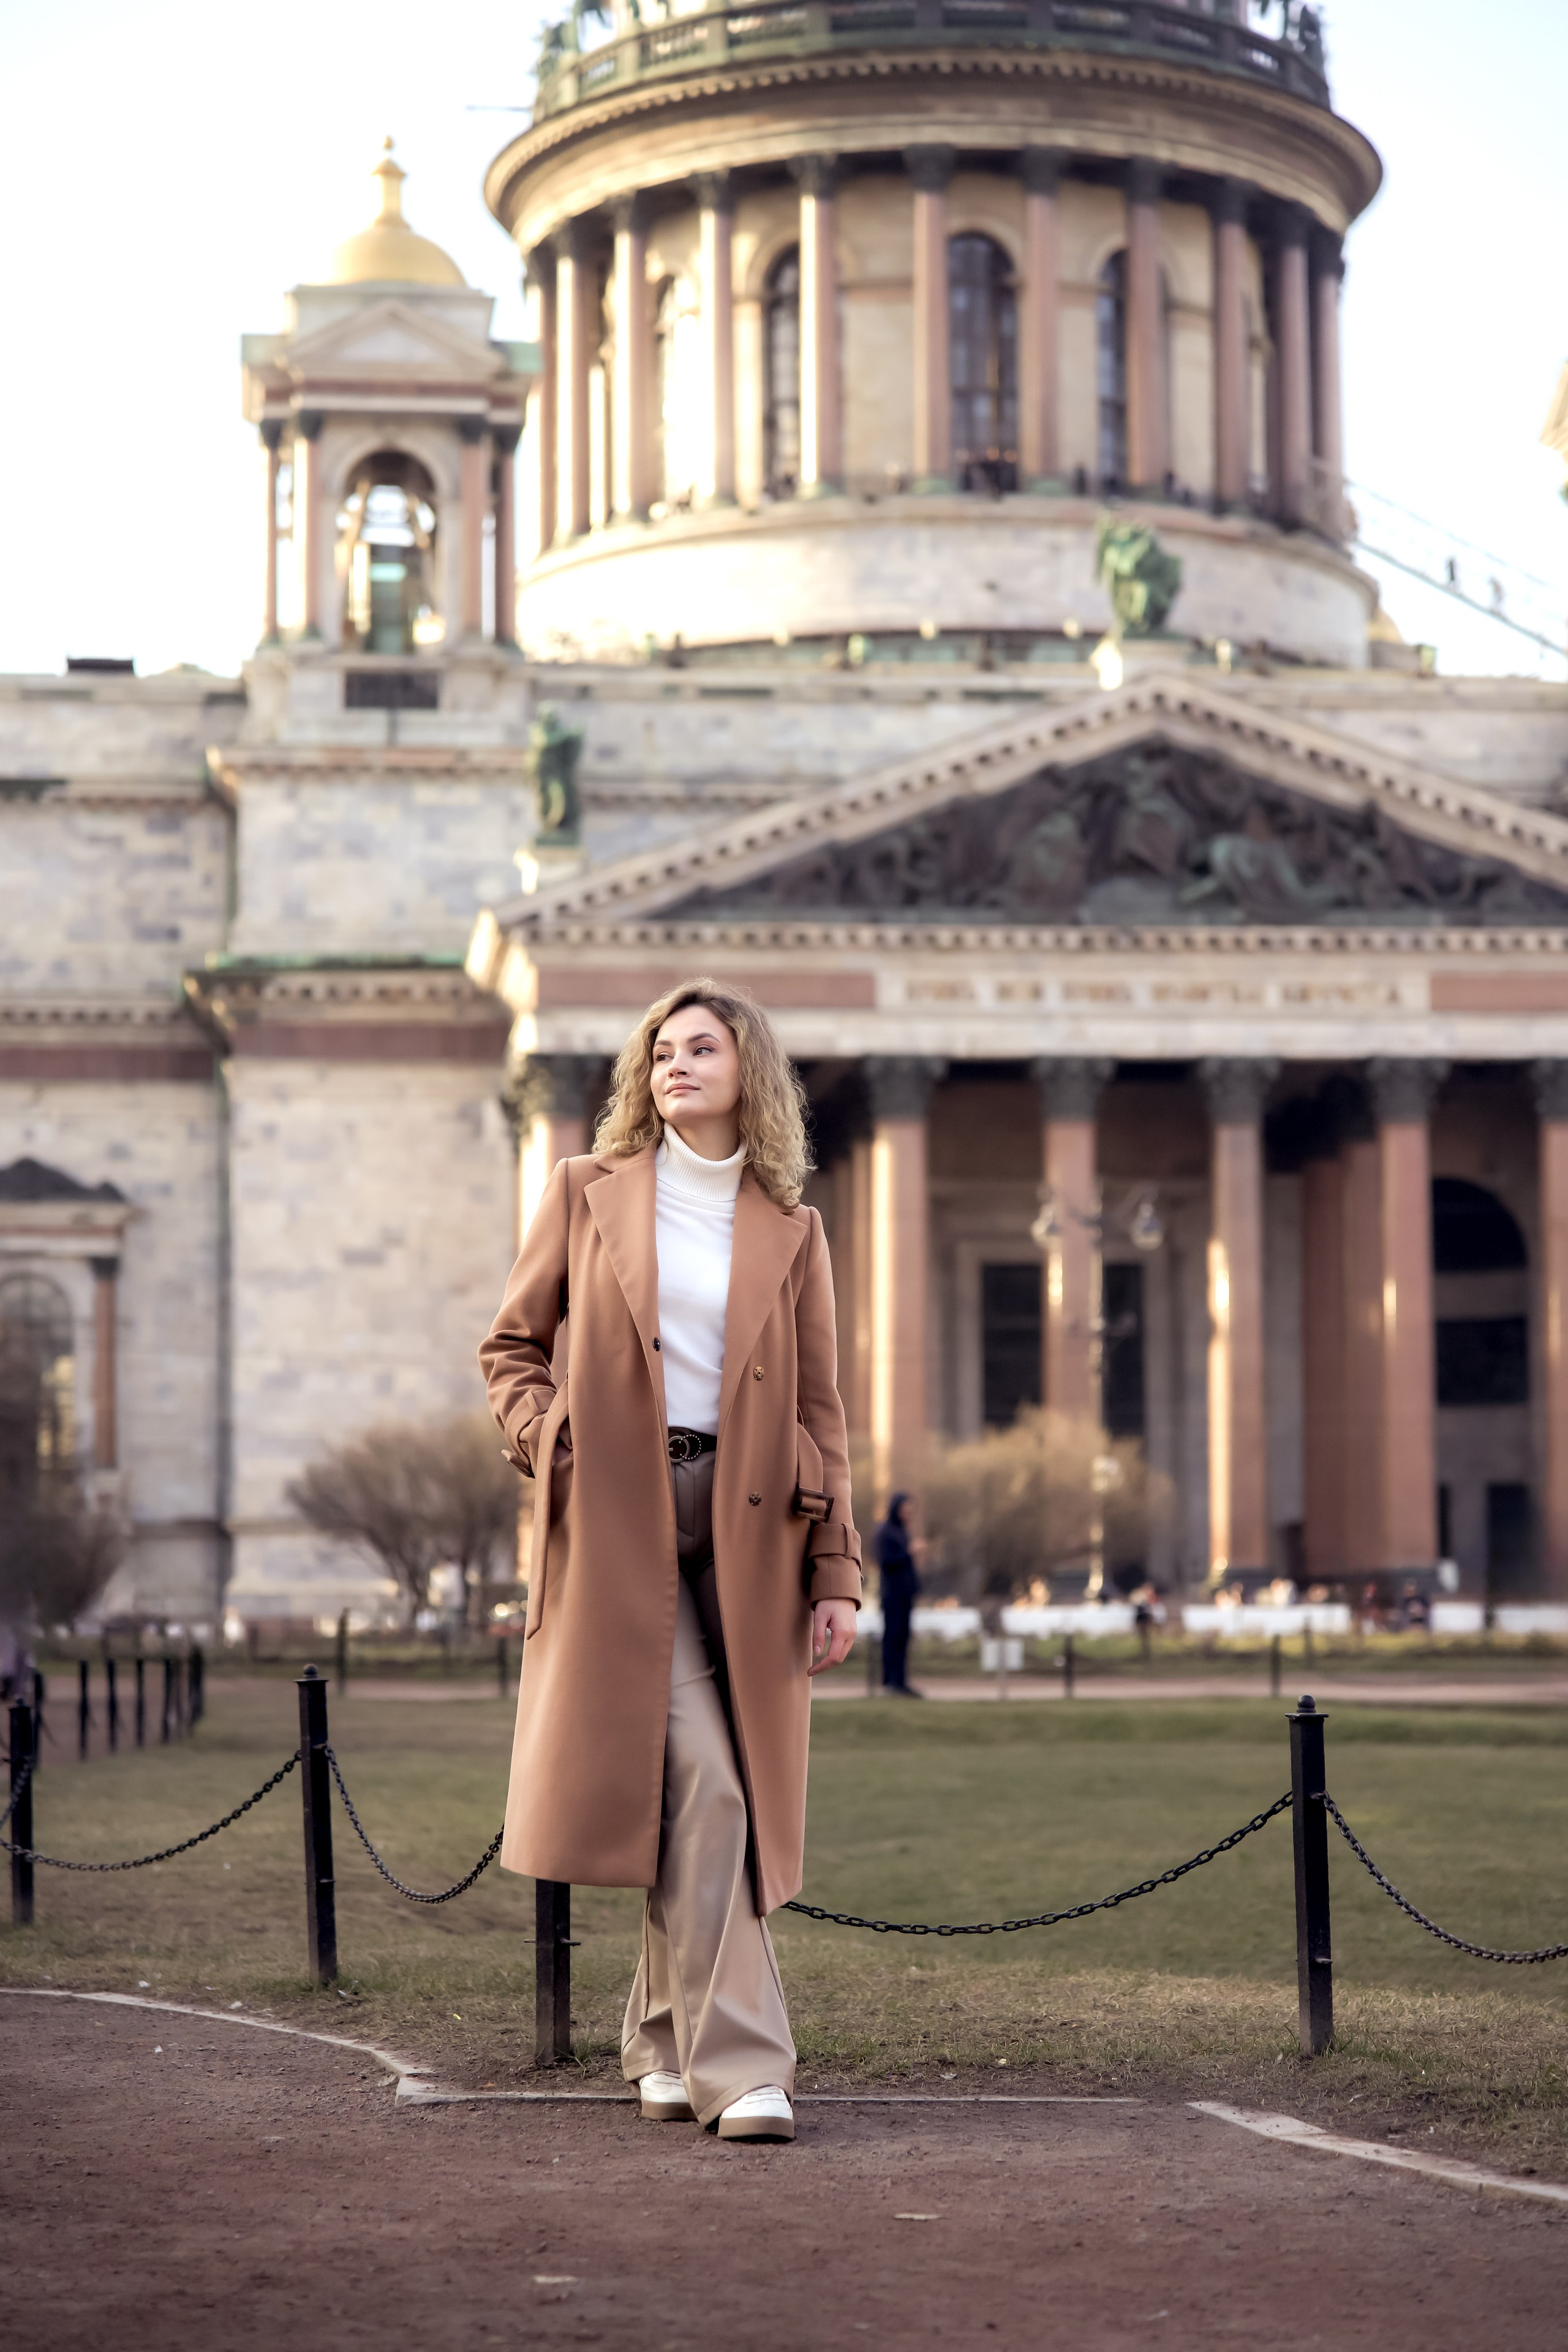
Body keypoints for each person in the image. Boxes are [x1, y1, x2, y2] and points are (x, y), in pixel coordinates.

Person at [480, 977, 861, 2144]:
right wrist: (555, 1442)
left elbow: (821, 1406)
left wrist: (837, 1569)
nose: (674, 1066)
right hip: (621, 1512)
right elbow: (510, 1348)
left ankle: (657, 2039)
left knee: (705, 1776)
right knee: (709, 1780)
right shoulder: (587, 1193)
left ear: (750, 1068)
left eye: (700, 1047)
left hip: (756, 1529)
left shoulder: (791, 1227)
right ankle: (743, 2065)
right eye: (659, 1051)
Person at [874, 1493, 922, 1696]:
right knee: (892, 1637)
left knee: (902, 1637)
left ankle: (901, 1681)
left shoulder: (902, 1531)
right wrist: (909, 1551)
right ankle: (891, 1682)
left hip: (905, 1594)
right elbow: (885, 1561)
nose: (908, 1513)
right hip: (892, 1595)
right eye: (905, 1508)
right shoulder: (886, 1532)